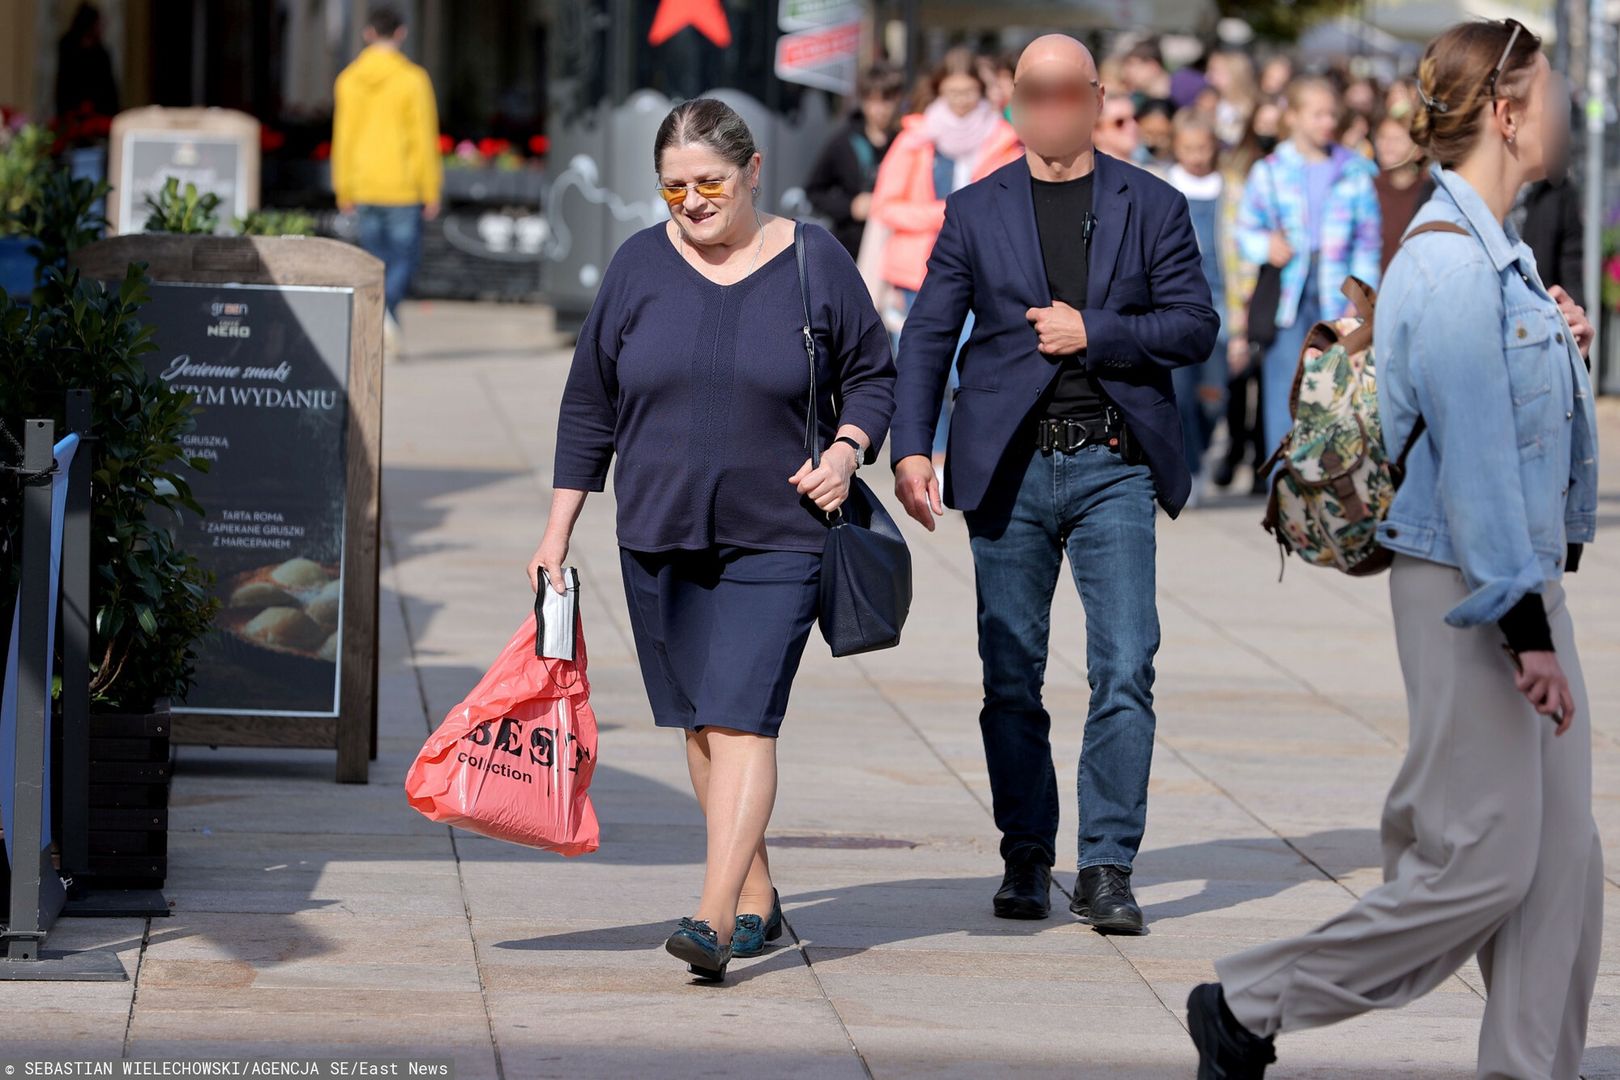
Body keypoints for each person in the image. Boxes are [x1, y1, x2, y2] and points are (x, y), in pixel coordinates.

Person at [1191, 19, 1601, 1078]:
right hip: (1472, 584)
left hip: (1513, 577)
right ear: (1508, 114)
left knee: (1562, 868)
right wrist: (1526, 631)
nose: (1564, 109)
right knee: (1482, 866)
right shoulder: (1454, 264)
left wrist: (1556, 342)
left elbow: (1507, 425)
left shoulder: (1497, 260)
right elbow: (1471, 468)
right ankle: (1248, 1002)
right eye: (1549, 90)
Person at [533, 98, 895, 984]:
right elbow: (589, 405)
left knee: (742, 714)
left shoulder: (815, 260)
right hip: (658, 533)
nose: (692, 202)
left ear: (753, 172)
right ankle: (759, 895)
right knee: (701, 725)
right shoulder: (636, 267)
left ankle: (712, 916)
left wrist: (848, 453)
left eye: (710, 183)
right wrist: (556, 531)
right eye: (673, 187)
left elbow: (873, 376)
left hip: (781, 535)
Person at [890, 34, 1218, 932]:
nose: (1048, 108)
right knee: (1011, 674)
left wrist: (1096, 331)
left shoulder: (1151, 204)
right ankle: (1027, 854)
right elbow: (927, 334)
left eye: (1066, 92)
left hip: (1113, 461)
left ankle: (1107, 864)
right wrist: (912, 446)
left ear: (1096, 95)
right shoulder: (975, 209)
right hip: (1009, 466)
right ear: (1015, 104)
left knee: (1124, 665)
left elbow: (1195, 325)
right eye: (1031, 94)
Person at [871, 46, 1021, 470]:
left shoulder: (1004, 138)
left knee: (968, 366)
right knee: (921, 365)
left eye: (968, 91)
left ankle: (966, 450)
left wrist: (965, 218)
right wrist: (945, 214)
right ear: (938, 90)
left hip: (983, 271)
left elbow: (1007, 204)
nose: (960, 100)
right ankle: (930, 454)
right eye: (952, 91)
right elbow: (887, 205)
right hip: (916, 271)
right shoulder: (916, 138)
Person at [1237, 75, 1382, 457]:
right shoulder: (1269, 170)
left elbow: (1368, 242)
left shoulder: (1355, 170)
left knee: (1337, 396)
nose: (1327, 123)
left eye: (1332, 114)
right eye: (1318, 114)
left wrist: (1359, 297)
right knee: (1285, 391)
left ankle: (1332, 491)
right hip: (1289, 294)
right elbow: (1245, 229)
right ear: (1296, 116)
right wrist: (1265, 245)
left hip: (1338, 293)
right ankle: (1283, 488)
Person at [332, 5, 443, 345]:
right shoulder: (413, 79)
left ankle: (381, 314)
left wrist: (343, 187)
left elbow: (344, 136)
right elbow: (423, 137)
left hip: (364, 184)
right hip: (403, 186)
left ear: (367, 34)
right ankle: (386, 311)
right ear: (401, 33)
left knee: (374, 258)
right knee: (404, 260)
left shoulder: (349, 79)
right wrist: (431, 188)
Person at [1166, 109, 1229, 500]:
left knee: (1214, 395)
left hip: (1221, 302)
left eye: (1204, 147)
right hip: (1175, 304)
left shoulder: (1230, 190)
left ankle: (1203, 451)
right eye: (1189, 148)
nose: (1197, 155)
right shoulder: (1163, 185)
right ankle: (1187, 468)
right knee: (1180, 394)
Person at [806, 63, 903, 259]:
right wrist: (850, 207)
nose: (880, 109)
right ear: (863, 101)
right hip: (851, 247)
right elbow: (813, 192)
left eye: (887, 101)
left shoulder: (906, 140)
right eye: (873, 101)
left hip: (895, 246)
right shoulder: (843, 142)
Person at [1373, 101, 1435, 275]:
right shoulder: (1368, 188)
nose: (1387, 145)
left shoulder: (1430, 193)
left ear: (1418, 151)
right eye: (1382, 137)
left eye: (1397, 140)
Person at [54, 2, 119, 120]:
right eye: (98, 23)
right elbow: (65, 82)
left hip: (98, 112)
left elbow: (108, 89)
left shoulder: (101, 53)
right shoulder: (68, 47)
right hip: (72, 111)